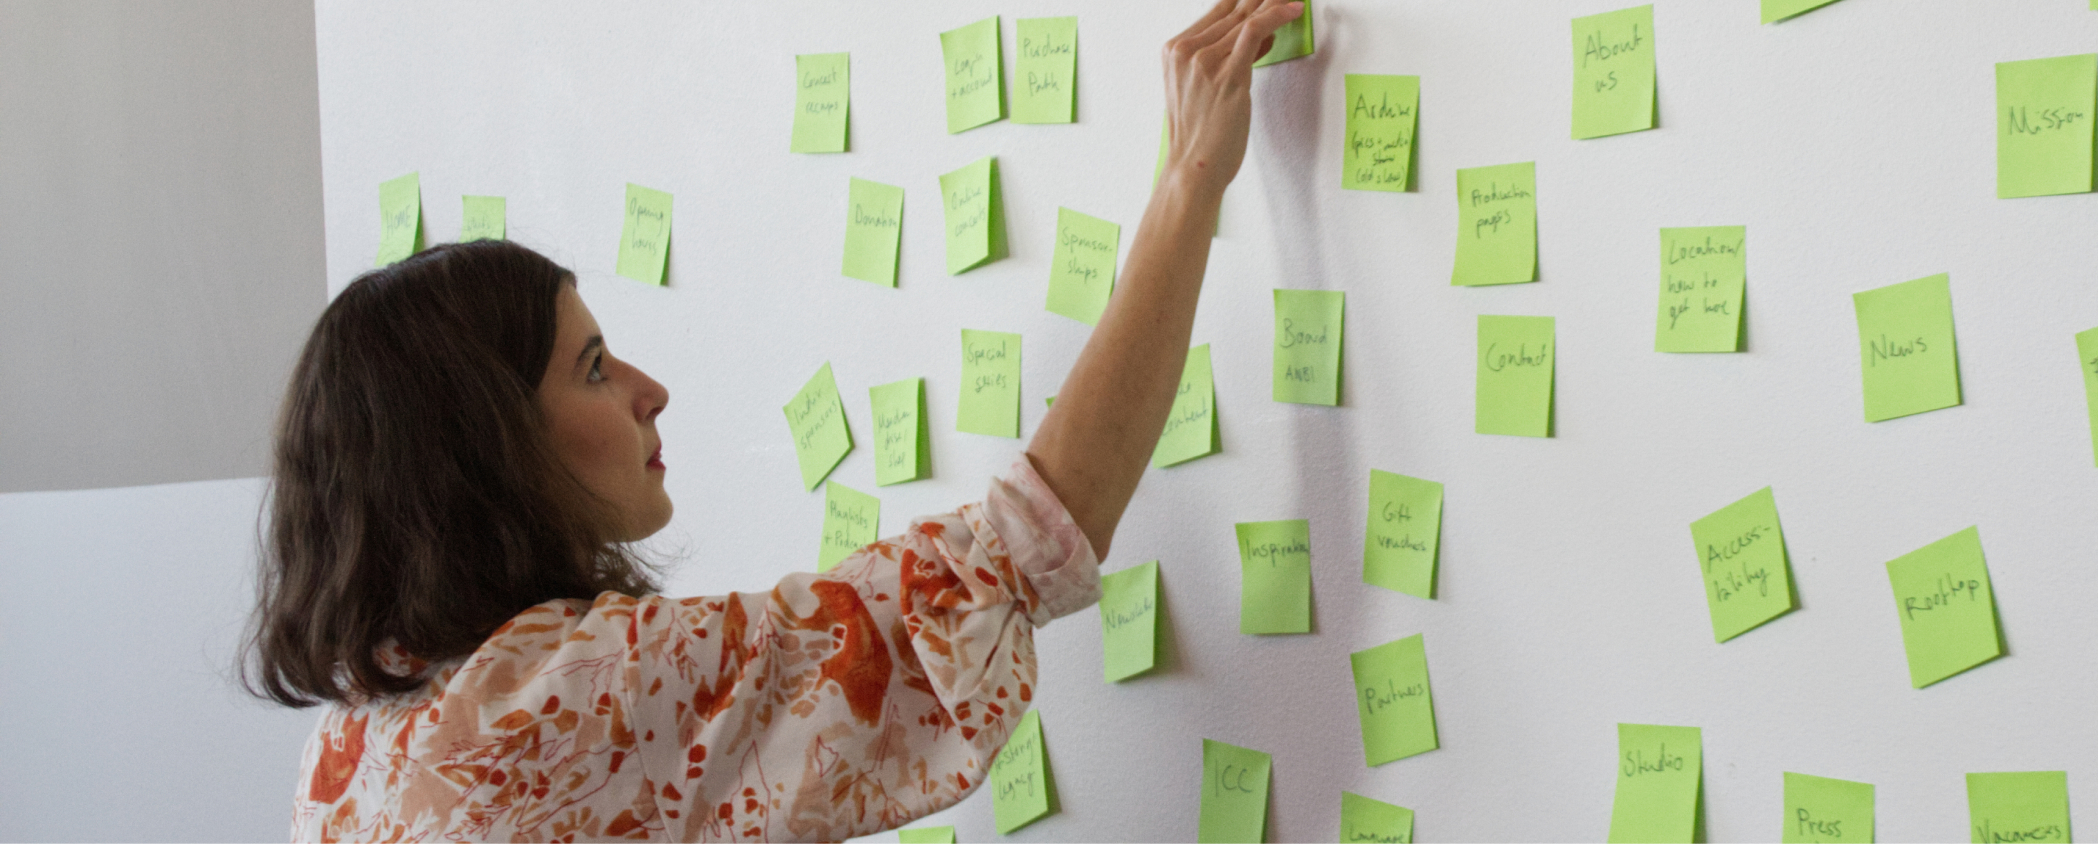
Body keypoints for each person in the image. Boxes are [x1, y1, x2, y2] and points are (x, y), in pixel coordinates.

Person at [246, 0, 1307, 838]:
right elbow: (1017, 552)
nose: (647, 390)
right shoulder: (563, 702)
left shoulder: (356, 736)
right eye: (593, 368)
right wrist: (1188, 182)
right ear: (487, 452)